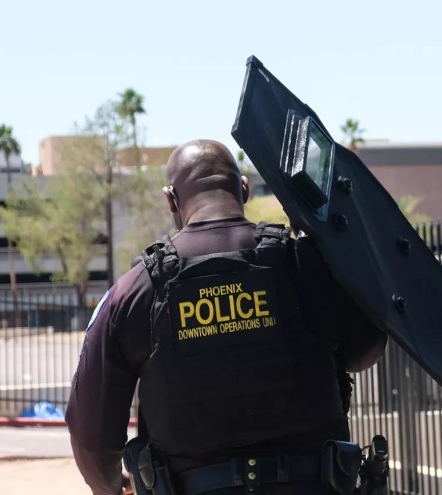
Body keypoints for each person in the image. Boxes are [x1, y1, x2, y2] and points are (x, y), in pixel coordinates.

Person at [66, 139, 387, 495]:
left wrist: (113, 487)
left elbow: (92, 438)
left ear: (171, 200)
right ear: (244, 189)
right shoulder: (307, 264)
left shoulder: (134, 292)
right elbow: (366, 350)